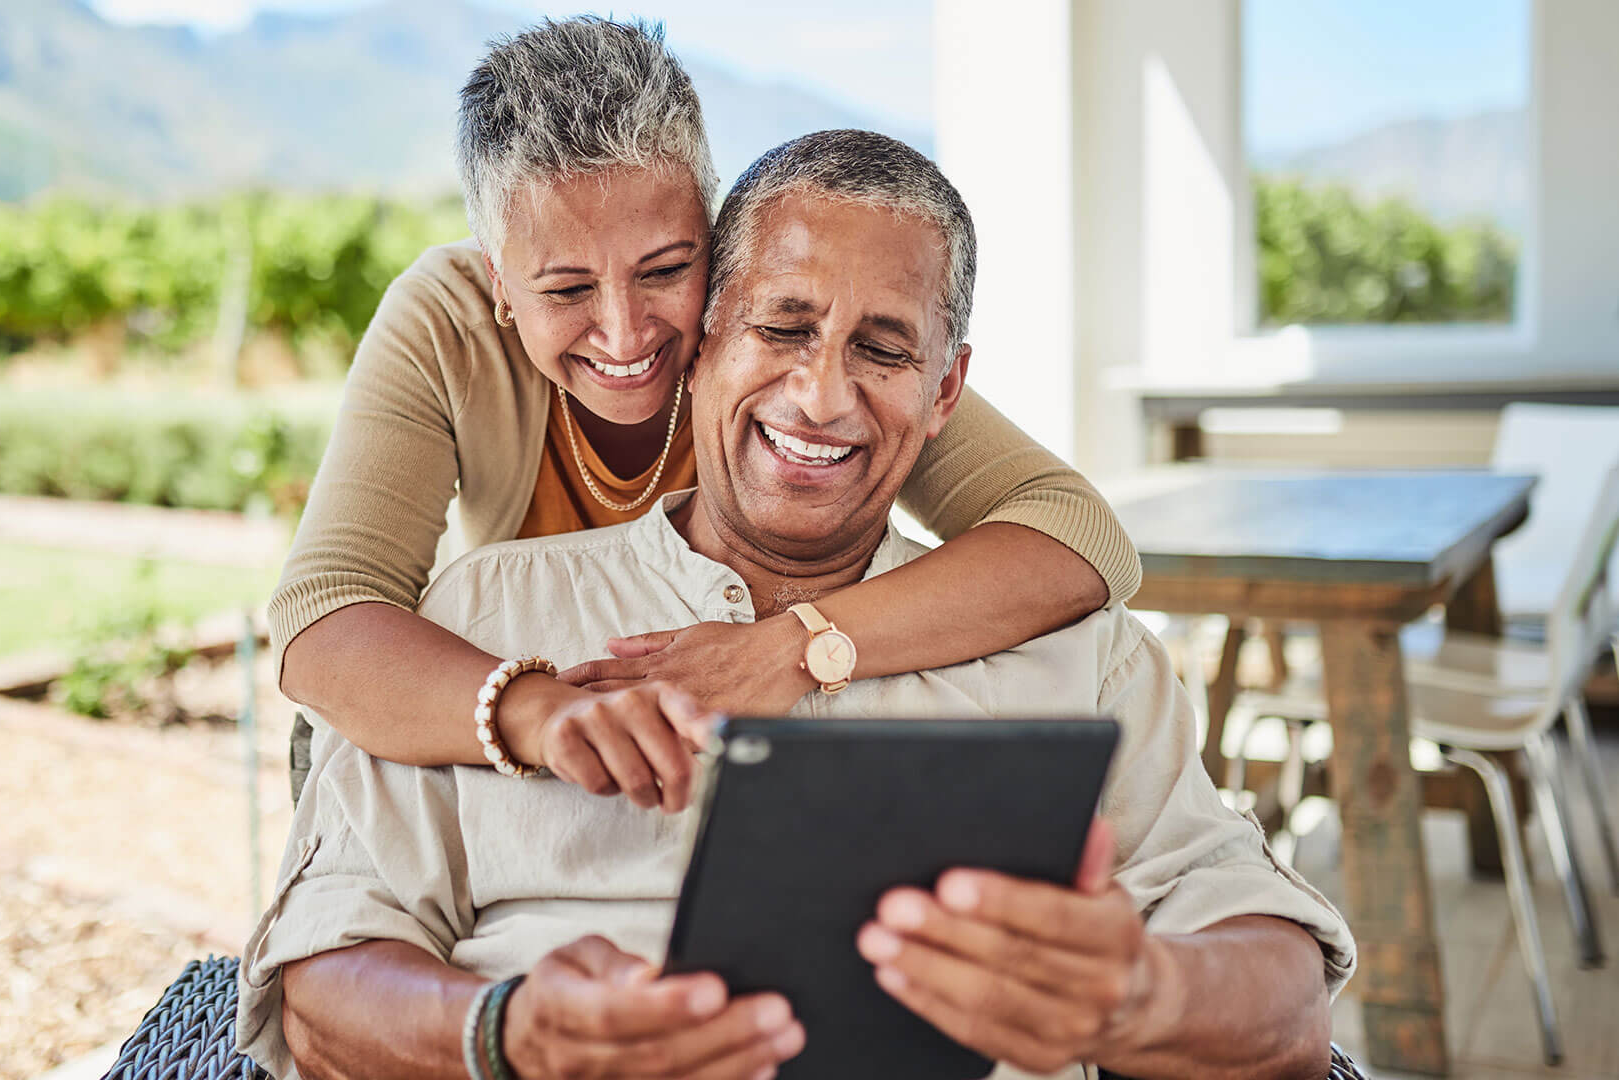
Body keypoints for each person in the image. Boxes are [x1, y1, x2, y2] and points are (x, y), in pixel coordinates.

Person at [237, 130, 1355, 1080]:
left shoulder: (1078, 655)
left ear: (943, 393)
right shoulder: (478, 623)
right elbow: (317, 983)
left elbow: (1286, 1004)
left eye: (881, 350)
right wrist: (507, 1032)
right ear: (703, 340)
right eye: (781, 329)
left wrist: (1140, 998)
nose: (821, 395)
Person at [268, 16, 1145, 809]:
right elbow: (324, 613)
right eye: (567, 287)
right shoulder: (445, 321)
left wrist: (796, 647)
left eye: (665, 269)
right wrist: (538, 714)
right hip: (485, 737)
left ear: (718, 237)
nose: (625, 332)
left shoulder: (781, 326)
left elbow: (1075, 534)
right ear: (501, 282)